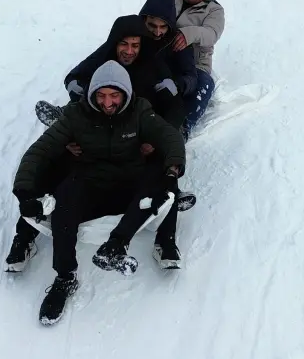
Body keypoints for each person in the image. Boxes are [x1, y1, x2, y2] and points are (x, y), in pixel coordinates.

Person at [11, 62, 187, 325]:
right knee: (64, 201)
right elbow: (40, 151)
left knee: (158, 182)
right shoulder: (75, 114)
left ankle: (116, 246)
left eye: (114, 95)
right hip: (90, 182)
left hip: (129, 183)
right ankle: (65, 278)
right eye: (101, 95)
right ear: (92, 94)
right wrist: (25, 193)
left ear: (125, 94)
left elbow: (169, 136)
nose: (107, 102)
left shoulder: (140, 111)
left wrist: (173, 168)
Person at [63, 15, 185, 130]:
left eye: (135, 45)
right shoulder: (104, 54)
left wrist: (164, 133)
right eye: (124, 44)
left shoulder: (151, 59)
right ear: (115, 43)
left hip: (141, 122)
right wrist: (80, 93)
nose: (129, 51)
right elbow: (74, 77)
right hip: (105, 117)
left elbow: (175, 102)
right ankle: (65, 120)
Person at [168, 0, 225, 129]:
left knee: (202, 87)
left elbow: (211, 34)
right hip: (165, 58)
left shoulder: (214, 11)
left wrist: (188, 34)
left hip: (196, 65)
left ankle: (181, 129)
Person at [139, 0, 199, 134]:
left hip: (166, 97)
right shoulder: (133, 34)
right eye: (152, 25)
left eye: (163, 27)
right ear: (143, 20)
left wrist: (177, 84)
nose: (157, 32)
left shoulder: (177, 42)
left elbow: (191, 77)